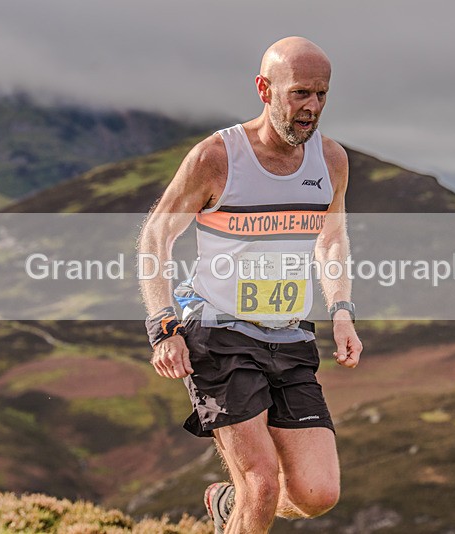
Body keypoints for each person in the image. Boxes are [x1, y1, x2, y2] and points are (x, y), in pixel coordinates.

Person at [138, 36, 361, 533]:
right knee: (261, 486)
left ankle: (227, 507)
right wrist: (163, 325)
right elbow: (157, 236)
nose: (312, 107)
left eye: (321, 94)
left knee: (316, 494)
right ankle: (243, 504)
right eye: (300, 93)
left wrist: (342, 311)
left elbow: (331, 239)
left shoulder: (331, 160)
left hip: (289, 335)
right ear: (264, 89)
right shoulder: (217, 157)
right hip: (218, 333)